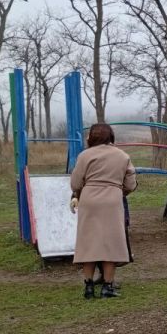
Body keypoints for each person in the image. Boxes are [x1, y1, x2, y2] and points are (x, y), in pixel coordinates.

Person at [70, 123, 137, 299]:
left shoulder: (85, 155)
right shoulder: (122, 156)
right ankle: (107, 287)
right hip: (112, 201)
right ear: (111, 136)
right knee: (110, 244)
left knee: (88, 243)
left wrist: (83, 191)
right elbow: (130, 184)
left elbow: (75, 183)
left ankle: (88, 287)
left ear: (91, 137)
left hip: (89, 200)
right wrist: (118, 191)